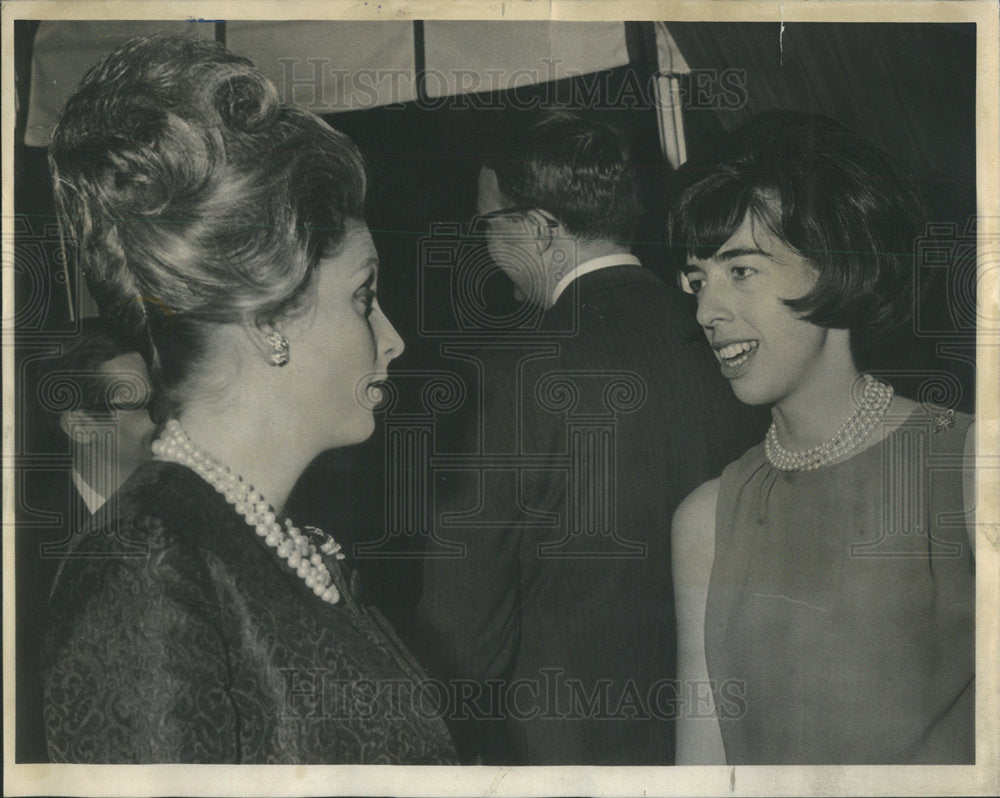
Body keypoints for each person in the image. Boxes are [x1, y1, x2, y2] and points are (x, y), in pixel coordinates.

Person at [42, 34, 456, 764]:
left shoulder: (265, 539)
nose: (393, 340)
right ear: (266, 322)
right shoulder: (144, 566)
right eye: (363, 299)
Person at [413, 110, 765, 764]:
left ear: (540, 230)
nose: (486, 250)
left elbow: (458, 641)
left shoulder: (511, 375)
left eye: (489, 225)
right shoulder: (731, 347)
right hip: (726, 743)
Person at [669, 111, 975, 765]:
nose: (705, 311)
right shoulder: (705, 520)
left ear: (832, 266)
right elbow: (702, 769)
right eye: (697, 281)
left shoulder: (965, 468)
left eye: (740, 271)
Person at [17, 317, 154, 761]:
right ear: (80, 426)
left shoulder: (186, 513)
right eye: (138, 407)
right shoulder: (26, 554)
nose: (160, 423)